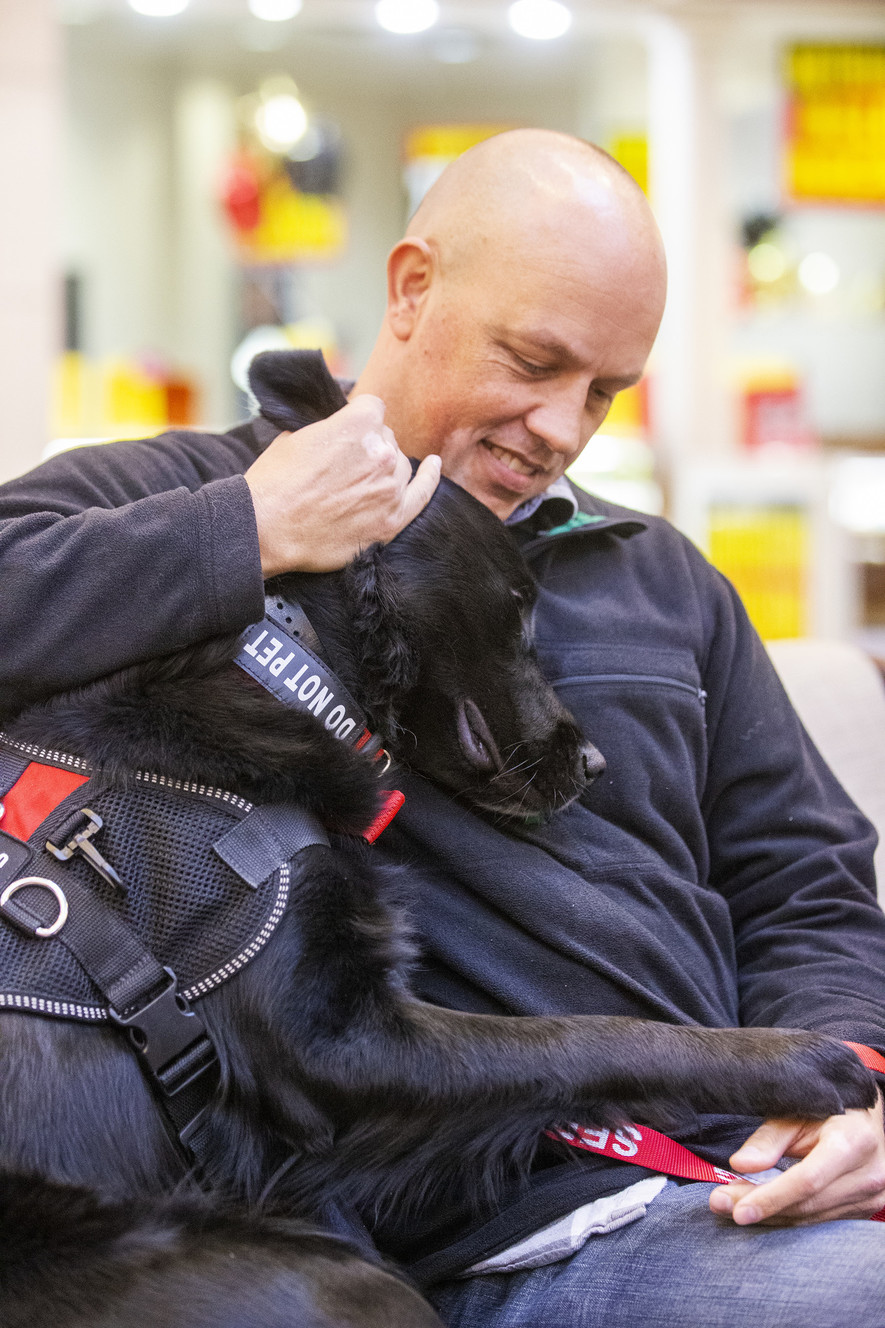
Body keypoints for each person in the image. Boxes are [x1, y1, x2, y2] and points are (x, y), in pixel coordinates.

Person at [1, 129, 884, 1326]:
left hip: (761, 1173)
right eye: (534, 360)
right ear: (412, 290)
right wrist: (251, 531)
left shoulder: (662, 576)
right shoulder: (189, 499)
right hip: (515, 1224)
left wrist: (851, 1082)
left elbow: (807, 880)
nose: (562, 427)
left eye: (604, 391)